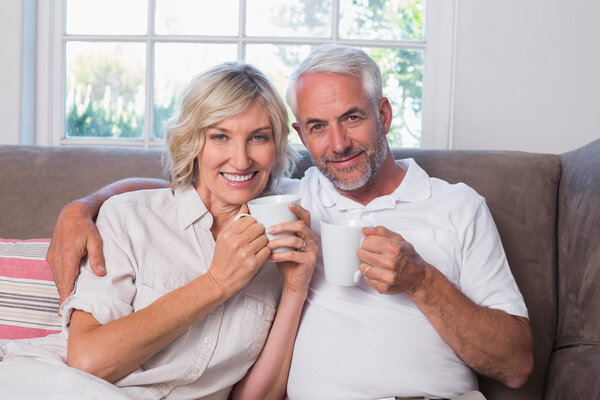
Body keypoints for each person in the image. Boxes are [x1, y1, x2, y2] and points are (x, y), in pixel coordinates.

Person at [41, 45, 534, 400]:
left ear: (383, 113)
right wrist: (83, 206)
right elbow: (195, 189)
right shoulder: (286, 202)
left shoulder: (458, 206)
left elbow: (515, 367)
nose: (337, 144)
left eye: (353, 118)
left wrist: (423, 281)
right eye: (318, 127)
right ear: (300, 136)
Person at [0, 62, 319, 400]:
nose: (240, 160)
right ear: (192, 141)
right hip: (54, 384)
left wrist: (296, 289)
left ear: (277, 144)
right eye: (219, 137)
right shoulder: (129, 217)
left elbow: (253, 396)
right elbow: (88, 361)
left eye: (258, 138)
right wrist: (216, 282)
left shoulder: (283, 232)